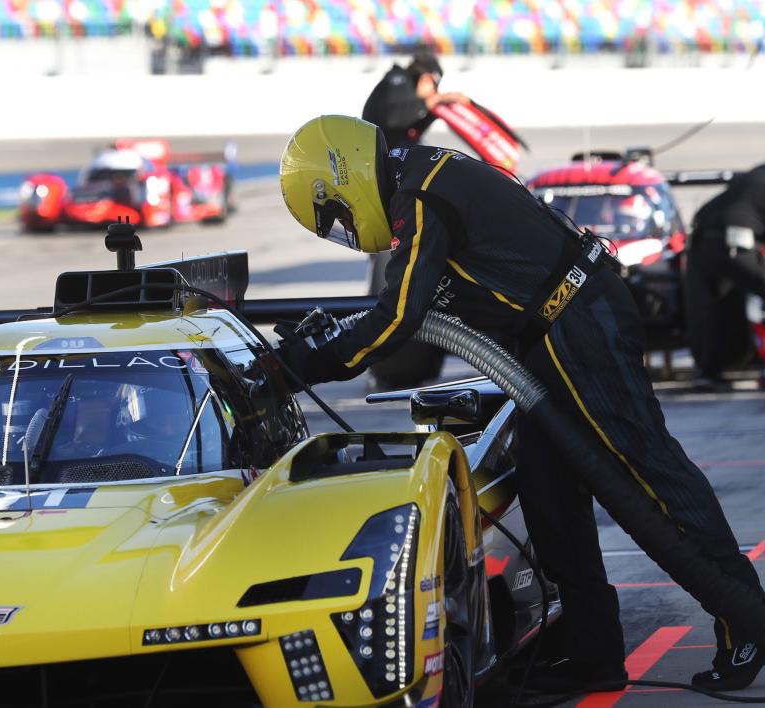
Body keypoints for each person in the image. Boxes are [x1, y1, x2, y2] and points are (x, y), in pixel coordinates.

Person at [276, 115, 765, 691]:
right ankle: (593, 651)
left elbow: (399, 314)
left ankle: (746, 620)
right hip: (554, 334)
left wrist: (307, 366)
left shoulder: (420, 196)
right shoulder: (420, 177)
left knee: (647, 474)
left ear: (344, 176)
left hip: (579, 325)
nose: (346, 230)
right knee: (547, 488)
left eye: (335, 216)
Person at [363, 50, 469, 388]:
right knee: (392, 273)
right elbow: (396, 123)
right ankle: (390, 353)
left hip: (392, 188)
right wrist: (436, 100)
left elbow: (408, 128)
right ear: (426, 78)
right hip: (386, 194)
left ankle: (406, 348)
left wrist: (435, 109)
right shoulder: (396, 83)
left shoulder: (402, 90)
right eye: (433, 85)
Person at [685, 165, 765, 385]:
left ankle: (710, 370)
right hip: (734, 239)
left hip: (702, 237)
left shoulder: (758, 173)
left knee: (710, 307)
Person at [362, 50, 469, 149]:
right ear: (426, 79)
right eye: (434, 86)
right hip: (375, 154)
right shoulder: (399, 80)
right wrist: (432, 100)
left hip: (385, 151)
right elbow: (393, 119)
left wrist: (433, 112)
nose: (433, 93)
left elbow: (413, 132)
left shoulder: (407, 89)